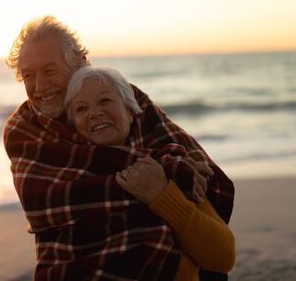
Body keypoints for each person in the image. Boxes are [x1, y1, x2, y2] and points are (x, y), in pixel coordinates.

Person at [3, 15, 235, 280]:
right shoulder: (25, 131)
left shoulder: (129, 103)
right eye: (28, 76)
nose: (39, 87)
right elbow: (41, 205)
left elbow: (221, 252)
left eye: (50, 70)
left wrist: (165, 187)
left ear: (80, 63)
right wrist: (166, 175)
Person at [64, 65, 235, 280]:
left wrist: (162, 194)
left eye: (105, 100)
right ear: (74, 126)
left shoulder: (168, 163)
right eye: (81, 109)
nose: (94, 113)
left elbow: (223, 257)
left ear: (129, 110)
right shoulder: (70, 179)